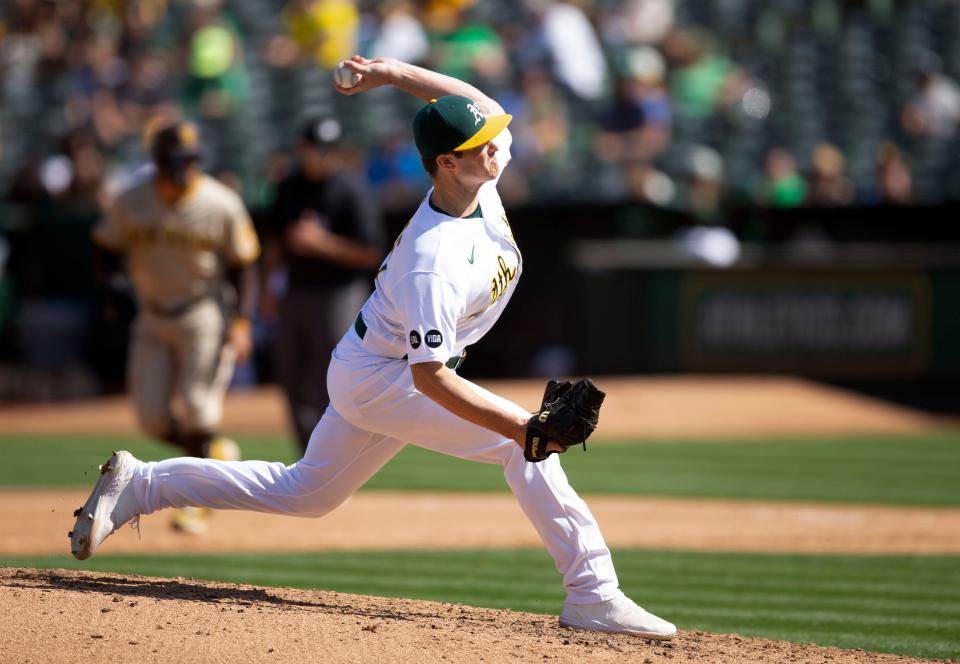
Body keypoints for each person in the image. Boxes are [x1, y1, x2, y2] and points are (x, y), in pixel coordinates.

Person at [70, 58, 677, 640]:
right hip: (385, 379)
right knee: (528, 452)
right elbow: (431, 379)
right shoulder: (431, 259)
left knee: (303, 494)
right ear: (446, 163)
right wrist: (523, 428)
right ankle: (593, 596)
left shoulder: (477, 182)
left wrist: (390, 74)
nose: (498, 146)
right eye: (482, 145)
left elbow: (478, 105)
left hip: (369, 367)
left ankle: (144, 484)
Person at [90, 118, 261, 534]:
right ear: (158, 161)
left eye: (191, 160)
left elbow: (244, 265)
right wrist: (113, 289)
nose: (185, 168)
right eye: (175, 160)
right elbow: (103, 247)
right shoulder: (132, 200)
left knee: (198, 408)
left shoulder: (220, 202)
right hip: (151, 314)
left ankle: (195, 501)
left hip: (201, 312)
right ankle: (214, 454)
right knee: (151, 418)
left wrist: (241, 322)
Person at [264, 117, 385, 452]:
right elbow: (274, 243)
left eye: (329, 150)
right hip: (296, 290)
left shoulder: (350, 187)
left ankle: (341, 452)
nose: (323, 156)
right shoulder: (289, 185)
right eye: (317, 149)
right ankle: (309, 456)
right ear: (303, 149)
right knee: (291, 375)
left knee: (334, 373)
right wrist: (267, 291)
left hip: (339, 293)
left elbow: (370, 252)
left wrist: (321, 243)